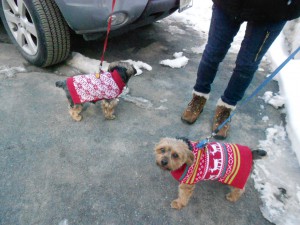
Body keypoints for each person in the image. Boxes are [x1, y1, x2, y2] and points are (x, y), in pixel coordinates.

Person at [181, 0, 300, 139]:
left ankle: (226, 107)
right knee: (212, 53)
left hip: (274, 9)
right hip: (229, 4)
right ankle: (199, 97)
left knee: (247, 65)